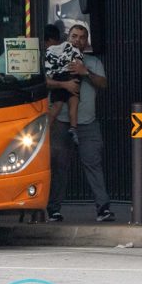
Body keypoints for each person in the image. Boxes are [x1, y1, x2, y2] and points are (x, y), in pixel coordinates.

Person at [47, 24, 113, 223]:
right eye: (74, 36)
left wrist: (85, 72)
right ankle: (53, 209)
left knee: (93, 164)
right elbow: (45, 80)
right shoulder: (58, 56)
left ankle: (103, 208)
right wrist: (63, 84)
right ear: (68, 38)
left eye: (82, 37)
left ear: (87, 42)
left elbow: (103, 84)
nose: (78, 40)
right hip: (61, 121)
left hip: (88, 123)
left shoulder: (93, 62)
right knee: (59, 166)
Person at [44, 25, 82, 136]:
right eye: (74, 36)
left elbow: (47, 77)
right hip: (71, 80)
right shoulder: (73, 50)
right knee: (73, 105)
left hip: (61, 79)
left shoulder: (49, 53)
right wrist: (66, 84)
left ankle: (44, 131)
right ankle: (73, 128)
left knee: (57, 106)